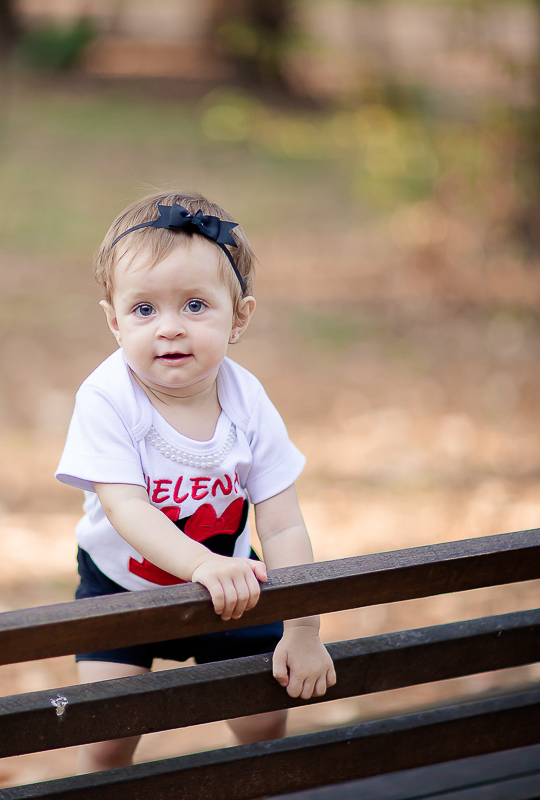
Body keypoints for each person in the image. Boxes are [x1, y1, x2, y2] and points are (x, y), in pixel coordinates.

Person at [55, 190, 336, 773]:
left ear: (239, 317)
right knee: (106, 738)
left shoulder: (247, 401)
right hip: (120, 586)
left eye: (195, 306)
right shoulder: (108, 398)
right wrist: (200, 565)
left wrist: (303, 628)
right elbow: (127, 509)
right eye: (144, 310)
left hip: (233, 584)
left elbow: (282, 521)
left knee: (264, 720)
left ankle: (253, 783)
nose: (170, 329)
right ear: (113, 322)